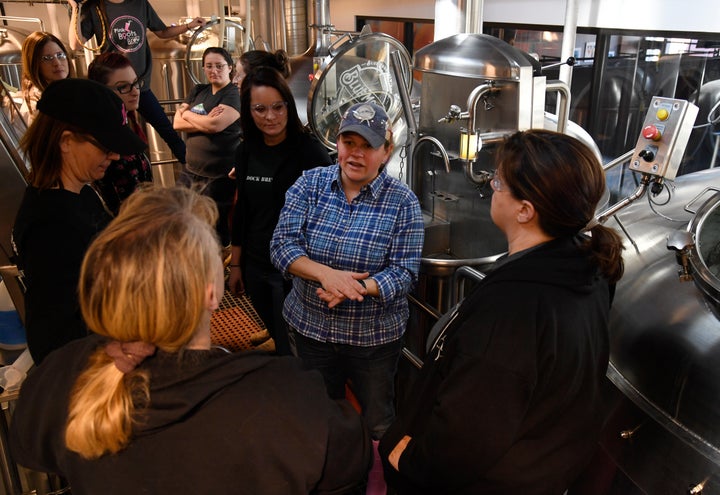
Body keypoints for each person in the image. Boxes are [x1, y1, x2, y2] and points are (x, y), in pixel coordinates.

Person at [9, 185, 372, 495]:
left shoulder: (64, 375)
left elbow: (27, 443)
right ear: (211, 294)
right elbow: (350, 467)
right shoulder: (285, 395)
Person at [378, 129, 625, 495]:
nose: (491, 186)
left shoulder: (516, 308)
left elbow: (469, 432)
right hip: (542, 468)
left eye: (498, 182)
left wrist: (410, 459)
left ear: (525, 210)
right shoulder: (584, 264)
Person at [270, 101, 424, 440]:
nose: (355, 154)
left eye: (367, 146)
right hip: (311, 329)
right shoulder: (309, 184)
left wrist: (361, 287)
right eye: (348, 143)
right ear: (336, 144)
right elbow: (282, 246)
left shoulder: (403, 202)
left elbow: (404, 272)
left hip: (373, 340)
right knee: (318, 416)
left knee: (377, 422)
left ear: (386, 151)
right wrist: (328, 275)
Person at [11, 78, 147, 364]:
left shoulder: (81, 191)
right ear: (66, 141)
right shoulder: (49, 223)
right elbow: (57, 334)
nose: (115, 155)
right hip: (84, 367)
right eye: (105, 145)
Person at [228, 67, 332, 356]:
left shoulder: (310, 153)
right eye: (260, 109)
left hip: (294, 270)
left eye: (277, 107)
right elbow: (243, 210)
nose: (270, 117)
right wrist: (236, 265)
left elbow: (330, 213)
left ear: (288, 105)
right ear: (249, 111)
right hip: (255, 263)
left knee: (296, 347)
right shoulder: (246, 150)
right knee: (276, 331)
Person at [66, 0, 205, 164]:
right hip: (114, 90)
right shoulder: (94, 6)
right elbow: (75, 44)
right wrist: (76, 7)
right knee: (117, 136)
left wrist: (190, 25)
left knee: (166, 129)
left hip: (140, 85)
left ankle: (192, 168)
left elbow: (162, 32)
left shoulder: (139, 4)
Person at [174, 47, 241, 246]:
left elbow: (215, 125)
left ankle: (221, 268)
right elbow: (176, 124)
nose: (214, 70)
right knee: (182, 217)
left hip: (217, 176)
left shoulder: (233, 94)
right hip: (190, 171)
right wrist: (199, 119)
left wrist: (187, 115)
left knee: (214, 227)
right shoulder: (198, 90)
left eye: (219, 66)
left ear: (229, 67)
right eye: (209, 66)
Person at [88, 52, 153, 214]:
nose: (135, 91)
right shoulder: (103, 140)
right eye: (123, 86)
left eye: (135, 83)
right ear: (102, 91)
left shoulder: (127, 124)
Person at [16, 32, 71, 125]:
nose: (57, 63)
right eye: (47, 58)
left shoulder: (62, 92)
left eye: (60, 55)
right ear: (34, 65)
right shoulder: (37, 107)